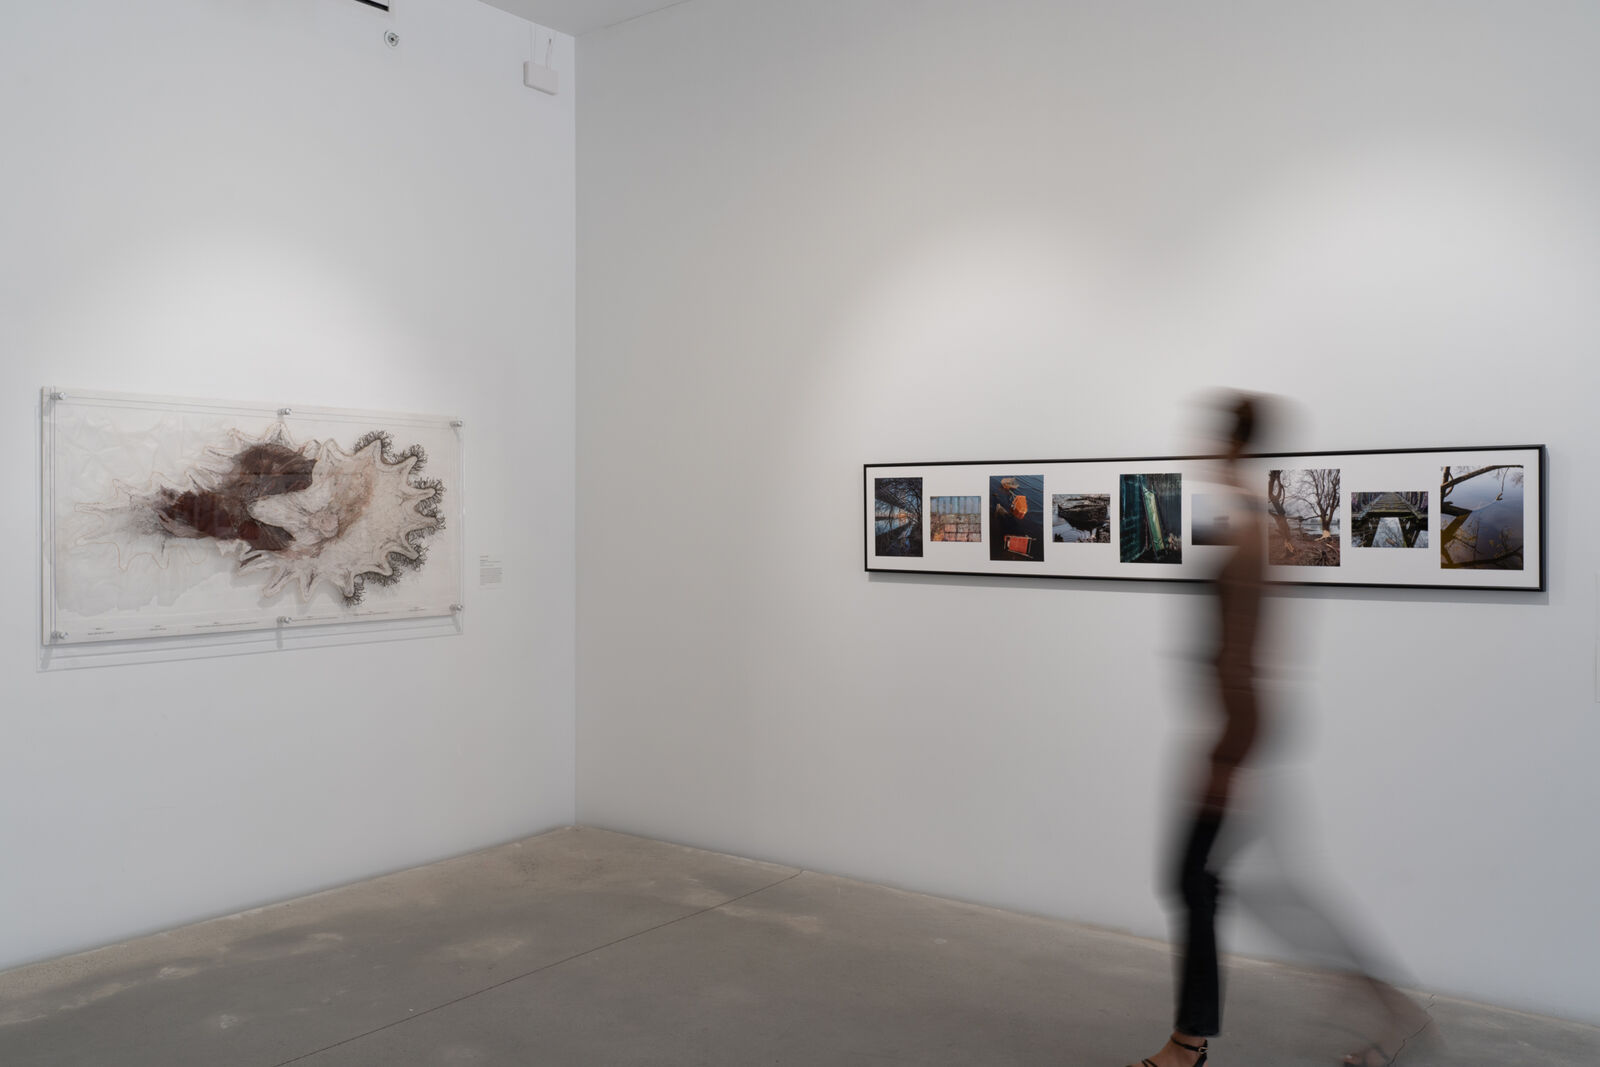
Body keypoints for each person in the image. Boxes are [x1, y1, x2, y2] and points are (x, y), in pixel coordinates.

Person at [1124, 394, 1433, 1067]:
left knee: (1195, 878)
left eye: (1210, 436)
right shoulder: (1258, 522)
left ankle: (1189, 1044)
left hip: (1240, 729)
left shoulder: (1246, 532)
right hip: (1243, 725)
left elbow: (1242, 655)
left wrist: (1224, 758)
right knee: (1246, 885)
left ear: (1233, 444)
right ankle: (1393, 1013)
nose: (1198, 447)